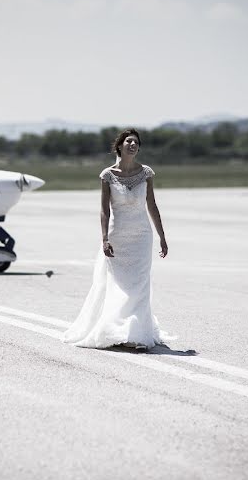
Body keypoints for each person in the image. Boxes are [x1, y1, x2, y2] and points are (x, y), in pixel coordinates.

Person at [62, 128, 174, 350]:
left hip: (142, 236)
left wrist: (162, 236)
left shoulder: (146, 173)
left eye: (136, 142)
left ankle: (138, 335)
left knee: (140, 284)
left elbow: (151, 205)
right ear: (120, 146)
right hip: (118, 237)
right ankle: (115, 329)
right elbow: (104, 210)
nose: (133, 145)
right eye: (129, 141)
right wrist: (104, 239)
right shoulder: (108, 175)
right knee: (118, 285)